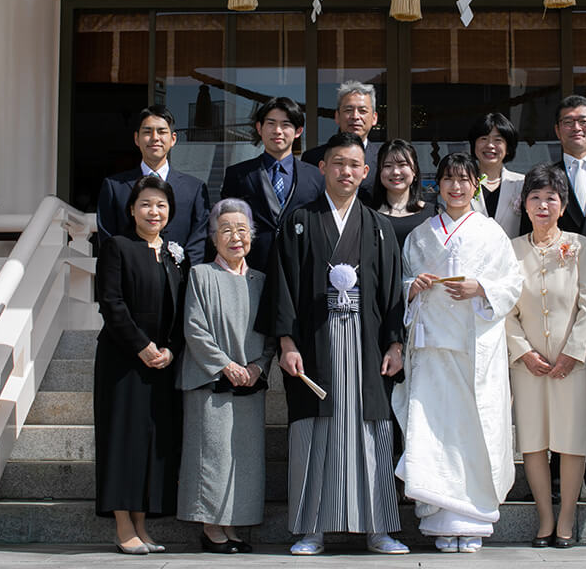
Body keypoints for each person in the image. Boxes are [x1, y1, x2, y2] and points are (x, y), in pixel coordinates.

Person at [257, 131, 409, 556]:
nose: (346, 171)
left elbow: (393, 293)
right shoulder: (300, 221)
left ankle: (378, 527)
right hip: (315, 341)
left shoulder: (379, 226)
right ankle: (311, 528)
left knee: (372, 431)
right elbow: (284, 285)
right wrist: (287, 342)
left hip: (367, 342)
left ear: (365, 173)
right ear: (322, 168)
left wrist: (395, 344)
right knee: (314, 430)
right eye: (337, 163)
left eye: (354, 165)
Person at [395, 153, 524, 553]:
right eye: (448, 180)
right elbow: (401, 281)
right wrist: (412, 288)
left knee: (474, 432)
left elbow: (512, 282)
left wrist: (480, 287)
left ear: (476, 185)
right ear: (438, 186)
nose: (456, 187)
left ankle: (473, 519)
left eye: (464, 180)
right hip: (432, 349)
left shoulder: (491, 233)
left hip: (474, 348)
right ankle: (438, 520)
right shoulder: (421, 233)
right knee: (434, 433)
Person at [520, 94, 586, 506]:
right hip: (554, 299)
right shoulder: (542, 179)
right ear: (556, 130)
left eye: (584, 121)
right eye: (567, 121)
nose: (576, 128)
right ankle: (554, 482)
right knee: (551, 395)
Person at [93, 175, 189, 554]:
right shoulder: (117, 246)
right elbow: (111, 304)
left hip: (163, 364)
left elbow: (184, 311)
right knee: (123, 441)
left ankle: (143, 524)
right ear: (132, 209)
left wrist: (170, 349)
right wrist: (142, 346)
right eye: (146, 204)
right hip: (123, 360)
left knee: (154, 442)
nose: (154, 211)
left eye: (161, 205)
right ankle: (122, 524)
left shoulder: (174, 254)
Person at [507, 163, 586, 548]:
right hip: (528, 366)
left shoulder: (581, 246)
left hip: (571, 365)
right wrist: (522, 352)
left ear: (563, 206)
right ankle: (545, 518)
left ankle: (567, 518)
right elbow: (504, 308)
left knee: (571, 438)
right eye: (535, 197)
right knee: (533, 439)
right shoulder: (510, 250)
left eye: (551, 198)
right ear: (524, 205)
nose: (543, 205)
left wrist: (573, 353)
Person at [177, 198, 275, 554]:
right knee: (212, 456)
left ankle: (232, 525)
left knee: (243, 459)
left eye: (242, 230)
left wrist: (258, 366)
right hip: (211, 381)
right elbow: (195, 329)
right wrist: (225, 365)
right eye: (226, 230)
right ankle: (210, 527)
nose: (236, 237)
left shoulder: (261, 281)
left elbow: (269, 334)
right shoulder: (201, 275)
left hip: (250, 383)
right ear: (213, 237)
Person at [97, 104, 210, 264]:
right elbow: (107, 238)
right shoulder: (114, 186)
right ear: (136, 138)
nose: (155, 137)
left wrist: (185, 276)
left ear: (173, 139)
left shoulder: (195, 188)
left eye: (162, 131)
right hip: (131, 278)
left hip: (180, 281)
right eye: (147, 132)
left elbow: (198, 240)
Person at [221, 97, 324, 271]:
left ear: (298, 131)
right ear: (259, 128)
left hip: (302, 267)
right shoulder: (238, 174)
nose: (277, 131)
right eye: (271, 123)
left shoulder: (316, 176)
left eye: (285, 124)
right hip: (250, 267)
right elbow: (226, 222)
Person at [301, 80, 382, 205]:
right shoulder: (312, 158)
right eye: (348, 110)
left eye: (362, 111)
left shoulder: (383, 159)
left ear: (374, 118)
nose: (355, 116)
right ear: (337, 116)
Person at [468, 112, 525, 238]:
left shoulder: (522, 184)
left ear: (508, 147)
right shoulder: (462, 184)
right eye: (484, 139)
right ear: (474, 145)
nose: (490, 145)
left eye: (498, 140)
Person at [373, 139, 434, 247]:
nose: (395, 172)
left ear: (414, 170)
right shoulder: (368, 214)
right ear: (380, 172)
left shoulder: (433, 214)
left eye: (402, 165)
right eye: (387, 166)